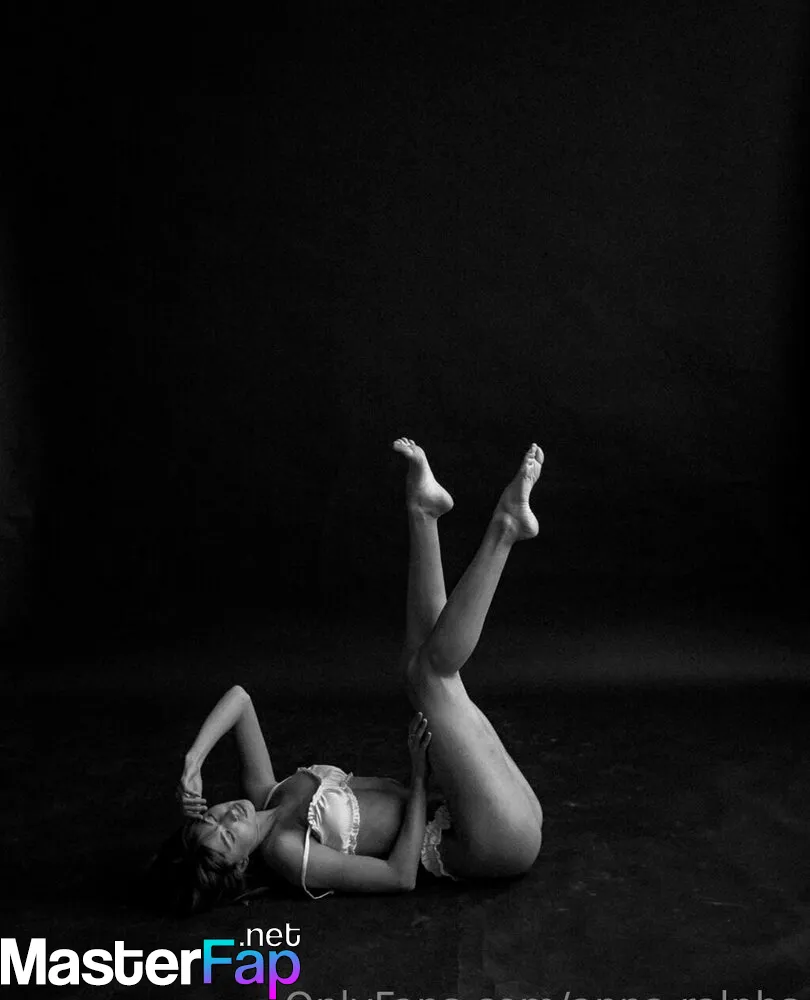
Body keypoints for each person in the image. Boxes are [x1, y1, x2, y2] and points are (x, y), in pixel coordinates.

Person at [156, 439, 544, 912]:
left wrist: (194, 760)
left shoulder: (267, 793)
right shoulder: (285, 852)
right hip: (494, 844)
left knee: (419, 670)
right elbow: (399, 877)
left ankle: (424, 513)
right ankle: (504, 529)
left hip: (484, 813)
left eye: (212, 818)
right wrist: (418, 777)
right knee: (427, 675)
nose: (228, 817)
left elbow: (240, 699)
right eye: (226, 837)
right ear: (238, 867)